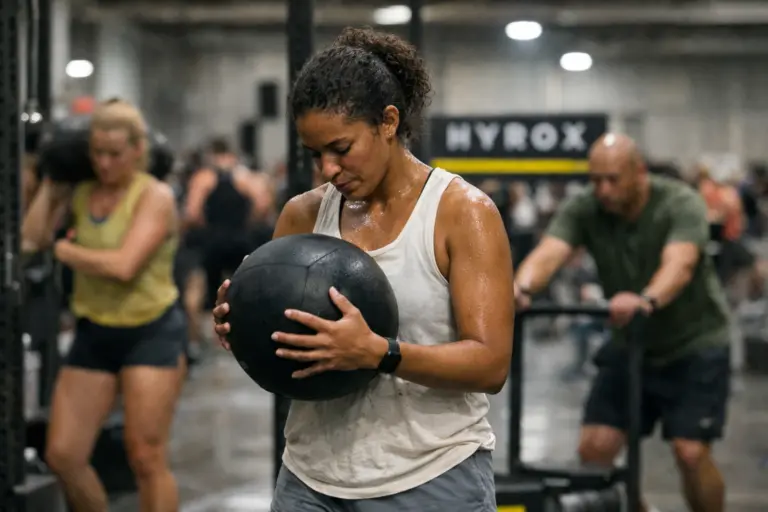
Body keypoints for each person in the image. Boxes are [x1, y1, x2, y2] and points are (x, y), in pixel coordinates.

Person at [212, 27, 514, 511]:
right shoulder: (303, 215)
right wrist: (242, 319)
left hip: (429, 476)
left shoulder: (461, 213)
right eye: (315, 154)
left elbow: (490, 363)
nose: (327, 169)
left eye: (341, 148)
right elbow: (281, 339)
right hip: (310, 477)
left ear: (388, 122)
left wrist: (379, 353)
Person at [515, 133, 730, 512]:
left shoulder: (679, 202)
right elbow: (551, 251)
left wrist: (646, 299)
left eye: (613, 179)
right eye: (595, 179)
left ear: (639, 172)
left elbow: (680, 264)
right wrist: (521, 287)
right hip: (630, 344)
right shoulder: (585, 207)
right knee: (594, 453)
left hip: (693, 345)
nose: (603, 189)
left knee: (690, 453)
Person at [21, 98, 186, 512]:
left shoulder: (155, 195)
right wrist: (53, 183)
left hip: (151, 332)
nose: (105, 163)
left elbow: (124, 266)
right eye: (96, 153)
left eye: (115, 154)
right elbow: (30, 238)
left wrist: (66, 251)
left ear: (137, 150)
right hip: (94, 332)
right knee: (63, 454)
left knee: (146, 456)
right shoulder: (82, 191)